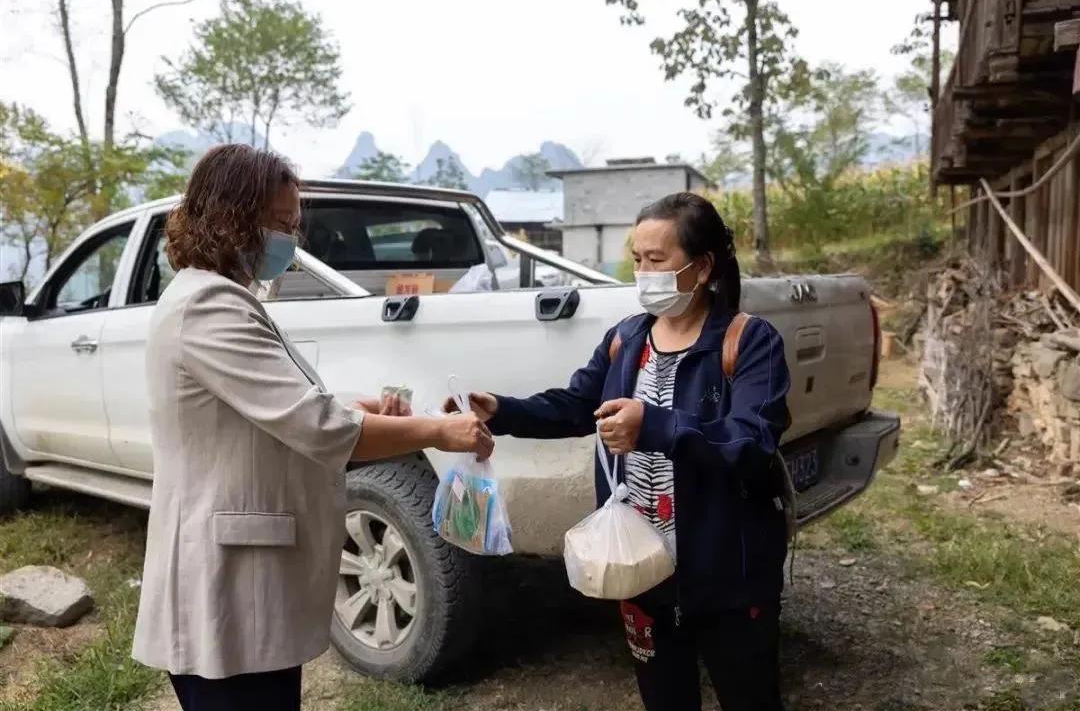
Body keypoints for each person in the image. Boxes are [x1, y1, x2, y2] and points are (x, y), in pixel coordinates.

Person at [132, 144, 493, 711]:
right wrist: (436, 432)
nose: (288, 241)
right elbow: (319, 426)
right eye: (278, 224)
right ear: (229, 216)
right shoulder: (209, 307)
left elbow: (274, 403)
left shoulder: (224, 298)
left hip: (245, 578)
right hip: (226, 583)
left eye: (292, 225)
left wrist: (363, 406)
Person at [449, 192, 792, 711]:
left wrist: (652, 426)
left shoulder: (749, 342)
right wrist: (503, 409)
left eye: (657, 260)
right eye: (637, 259)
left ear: (701, 268)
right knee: (664, 698)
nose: (643, 272)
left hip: (728, 577)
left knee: (750, 698)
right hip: (640, 565)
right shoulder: (627, 338)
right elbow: (575, 405)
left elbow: (751, 440)